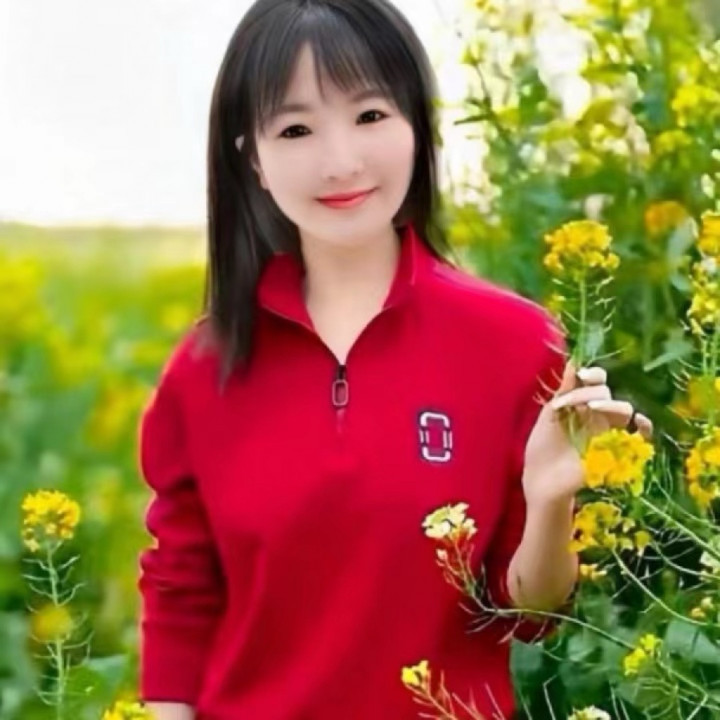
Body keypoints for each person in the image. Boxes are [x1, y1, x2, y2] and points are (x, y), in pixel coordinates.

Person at [136, 1, 653, 719]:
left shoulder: (514, 343)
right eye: (295, 129)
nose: (340, 161)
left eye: (370, 115)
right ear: (252, 158)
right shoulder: (204, 368)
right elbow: (181, 595)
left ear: (416, 123)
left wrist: (550, 501)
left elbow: (530, 614)